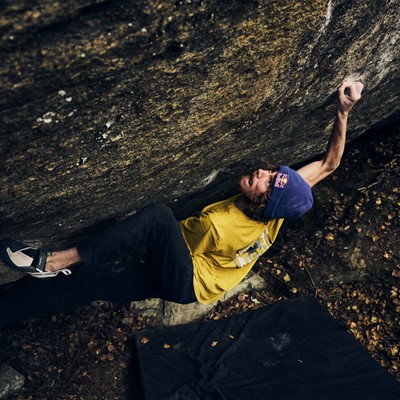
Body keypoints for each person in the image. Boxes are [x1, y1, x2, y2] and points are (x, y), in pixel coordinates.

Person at [0, 81, 363, 328]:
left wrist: (136, 226)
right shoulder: (285, 205)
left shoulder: (220, 224)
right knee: (84, 286)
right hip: (195, 276)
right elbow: (330, 164)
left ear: (262, 206)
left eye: (265, 185)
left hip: (186, 277)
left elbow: (162, 240)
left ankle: (51, 261)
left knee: (156, 217)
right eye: (271, 173)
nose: (261, 174)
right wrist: (343, 111)